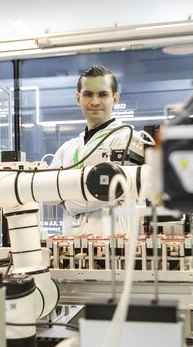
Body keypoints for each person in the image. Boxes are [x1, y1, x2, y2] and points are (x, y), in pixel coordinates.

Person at [50, 65, 134, 236]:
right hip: (71, 248)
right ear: (78, 98)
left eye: (102, 94)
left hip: (114, 248)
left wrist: (68, 203)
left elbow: (111, 191)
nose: (95, 102)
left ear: (115, 99)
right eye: (88, 94)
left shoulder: (127, 139)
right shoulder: (67, 148)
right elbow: (47, 195)